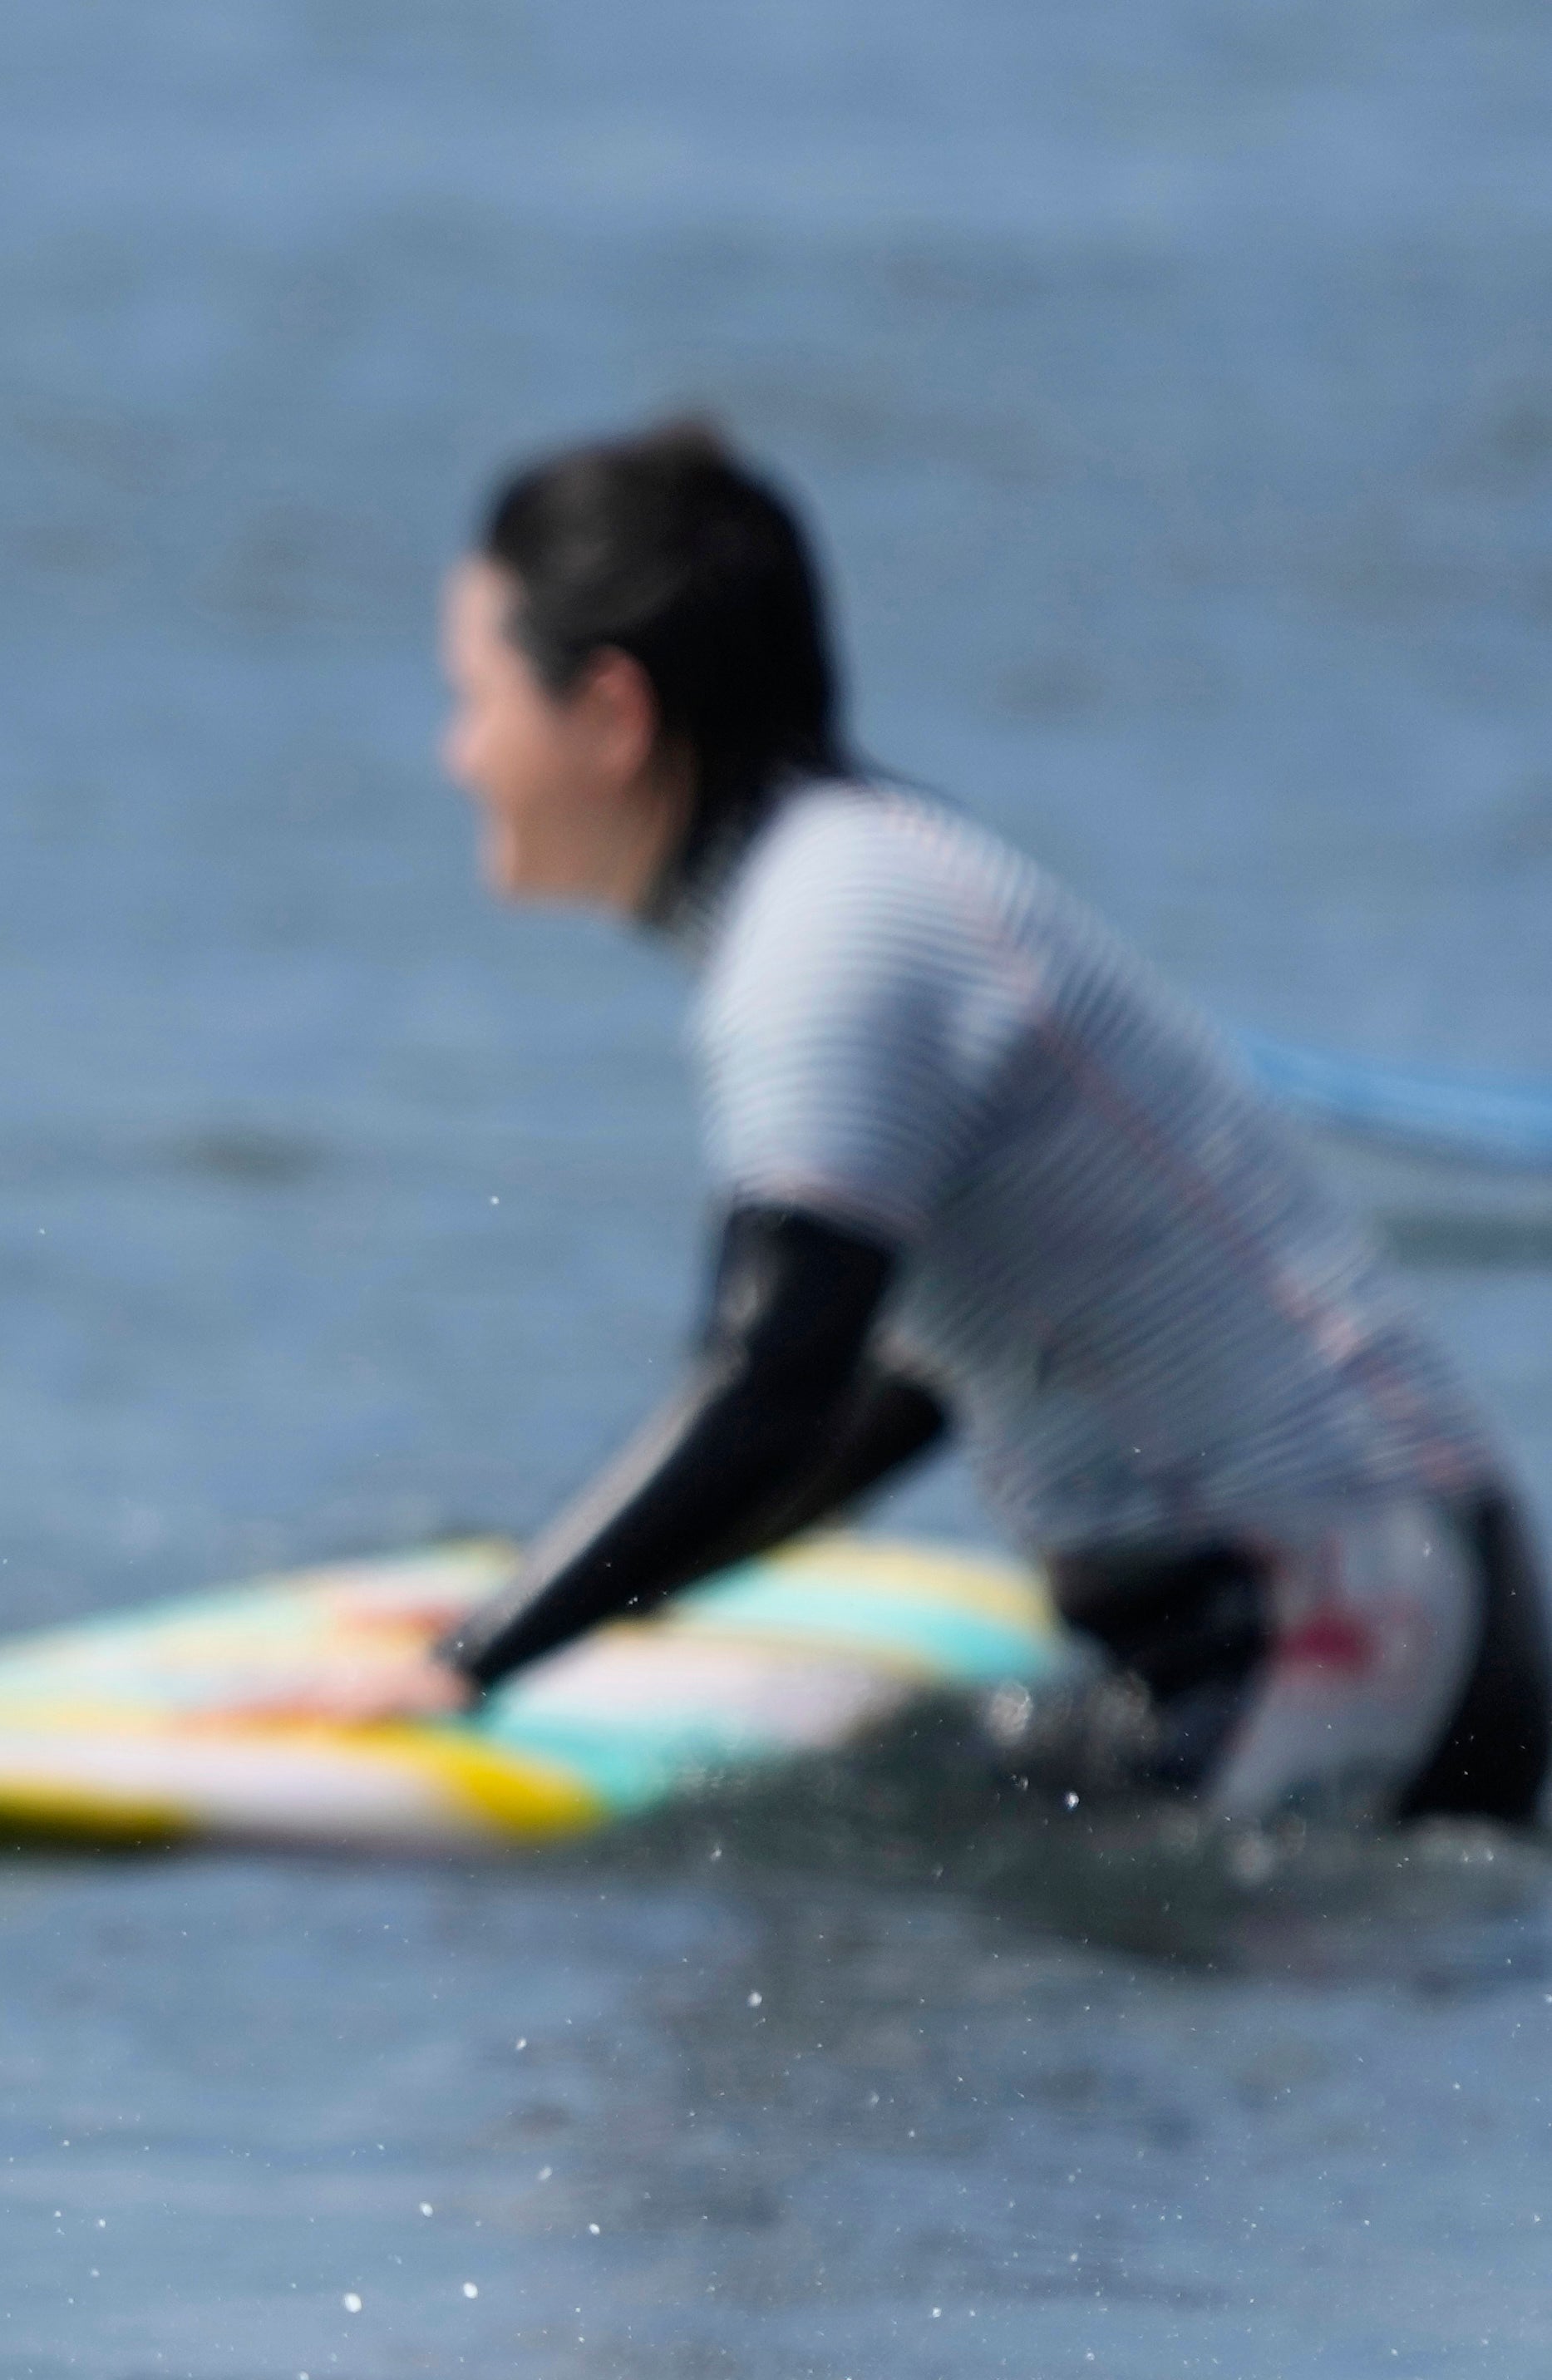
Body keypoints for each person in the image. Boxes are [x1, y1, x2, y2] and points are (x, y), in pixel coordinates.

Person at [343, 416, 1540, 1823]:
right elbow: (882, 1390)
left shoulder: (828, 934)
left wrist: (474, 1662)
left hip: (1333, 1626)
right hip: (1364, 1606)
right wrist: (583, 1588)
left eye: (473, 698)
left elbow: (771, 1385)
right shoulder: (860, 888)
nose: (455, 755)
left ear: (610, 716)